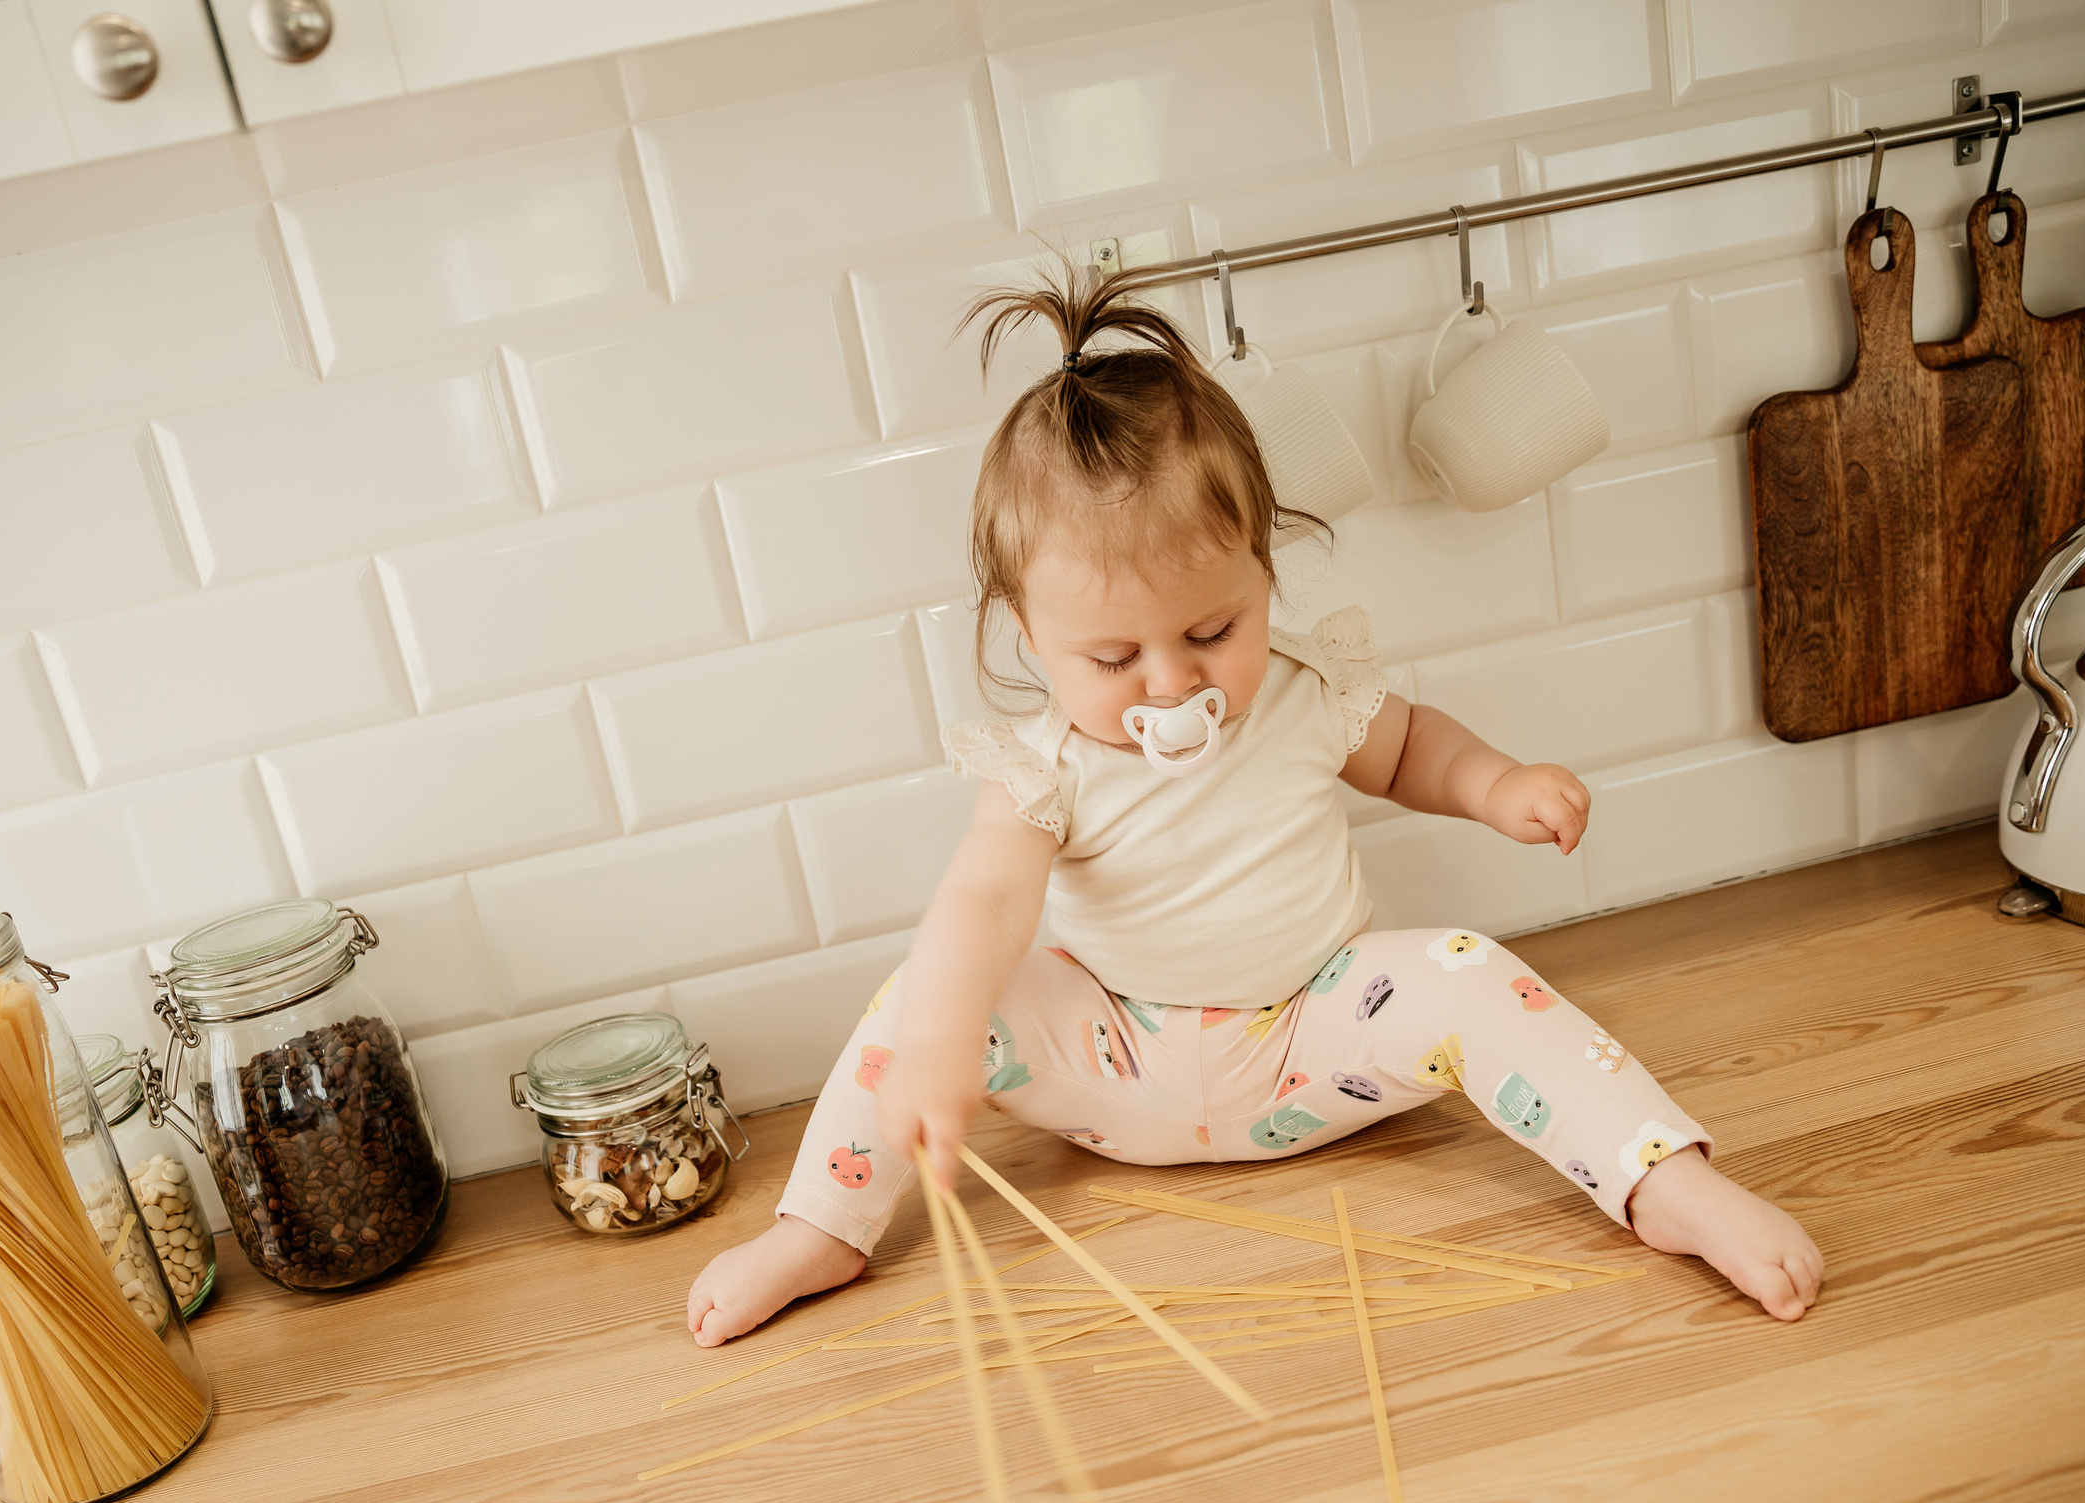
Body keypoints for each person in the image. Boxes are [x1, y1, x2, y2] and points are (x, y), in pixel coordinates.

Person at [686, 265, 1822, 1347]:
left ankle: (1663, 1181)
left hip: (1311, 1040)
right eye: (1112, 656)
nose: (1171, 684)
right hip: (1113, 1061)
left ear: (1264, 575)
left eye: (1210, 631)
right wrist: (941, 1038)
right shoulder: (1047, 767)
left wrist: (1495, 786)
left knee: (1473, 972)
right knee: (915, 1000)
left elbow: (1409, 747)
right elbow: (985, 901)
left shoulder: (1299, 689)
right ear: (1028, 639)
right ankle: (818, 1230)